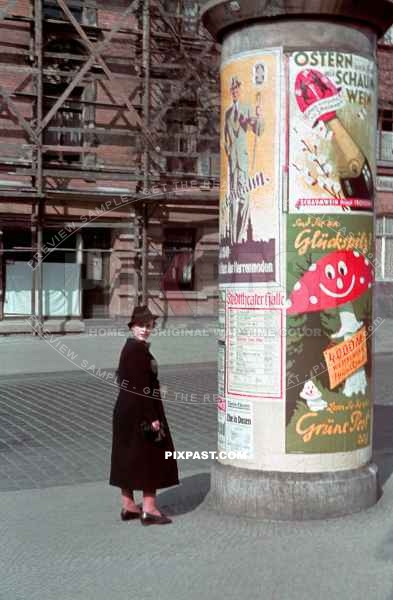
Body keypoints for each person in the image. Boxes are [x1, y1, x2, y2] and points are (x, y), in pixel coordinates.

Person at [109, 305, 179, 525]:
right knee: (153, 455)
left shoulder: (129, 348)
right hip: (141, 411)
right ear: (132, 327)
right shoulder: (138, 350)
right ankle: (149, 509)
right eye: (141, 325)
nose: (145, 330)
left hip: (125, 410)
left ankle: (128, 505)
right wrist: (152, 417)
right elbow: (141, 387)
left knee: (127, 456)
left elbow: (124, 380)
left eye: (148, 326)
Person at [224, 75, 264, 244]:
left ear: (240, 90)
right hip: (233, 161)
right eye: (232, 89)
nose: (234, 91)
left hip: (243, 160)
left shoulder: (247, 108)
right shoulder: (227, 113)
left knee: (244, 198)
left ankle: (240, 237)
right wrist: (229, 151)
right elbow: (226, 138)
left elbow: (258, 130)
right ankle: (233, 238)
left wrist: (259, 117)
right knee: (233, 199)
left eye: (236, 89)